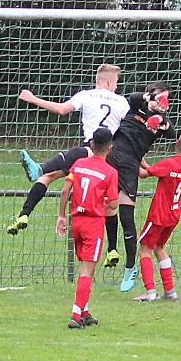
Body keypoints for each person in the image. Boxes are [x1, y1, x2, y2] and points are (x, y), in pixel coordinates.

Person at [8, 64, 130, 233]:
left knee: (50, 174)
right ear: (109, 81)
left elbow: (62, 109)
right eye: (116, 82)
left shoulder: (85, 95)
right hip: (109, 154)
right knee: (108, 205)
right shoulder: (122, 101)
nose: (116, 86)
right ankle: (24, 214)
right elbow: (129, 126)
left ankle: (38, 175)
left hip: (90, 150)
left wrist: (34, 99)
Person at [104, 82, 173, 290]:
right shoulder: (136, 106)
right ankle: (111, 249)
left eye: (166, 98)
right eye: (159, 95)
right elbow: (134, 97)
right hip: (112, 157)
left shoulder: (161, 121)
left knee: (127, 216)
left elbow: (173, 134)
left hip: (130, 166)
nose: (162, 100)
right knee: (106, 204)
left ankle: (130, 267)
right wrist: (151, 98)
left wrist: (161, 120)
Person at [56, 128, 121, 329]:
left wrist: (61, 216)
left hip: (76, 222)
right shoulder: (110, 172)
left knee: (86, 267)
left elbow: (65, 190)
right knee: (87, 268)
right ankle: (76, 315)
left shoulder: (78, 164)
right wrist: (106, 202)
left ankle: (84, 312)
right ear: (110, 148)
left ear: (91, 145)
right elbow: (114, 204)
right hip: (93, 223)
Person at [134, 133, 181, 303]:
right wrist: (143, 161)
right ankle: (170, 291)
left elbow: (143, 174)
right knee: (159, 247)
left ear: (176, 143)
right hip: (174, 213)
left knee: (144, 249)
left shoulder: (169, 164)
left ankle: (150, 292)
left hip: (159, 214)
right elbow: (153, 170)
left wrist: (130, 159)